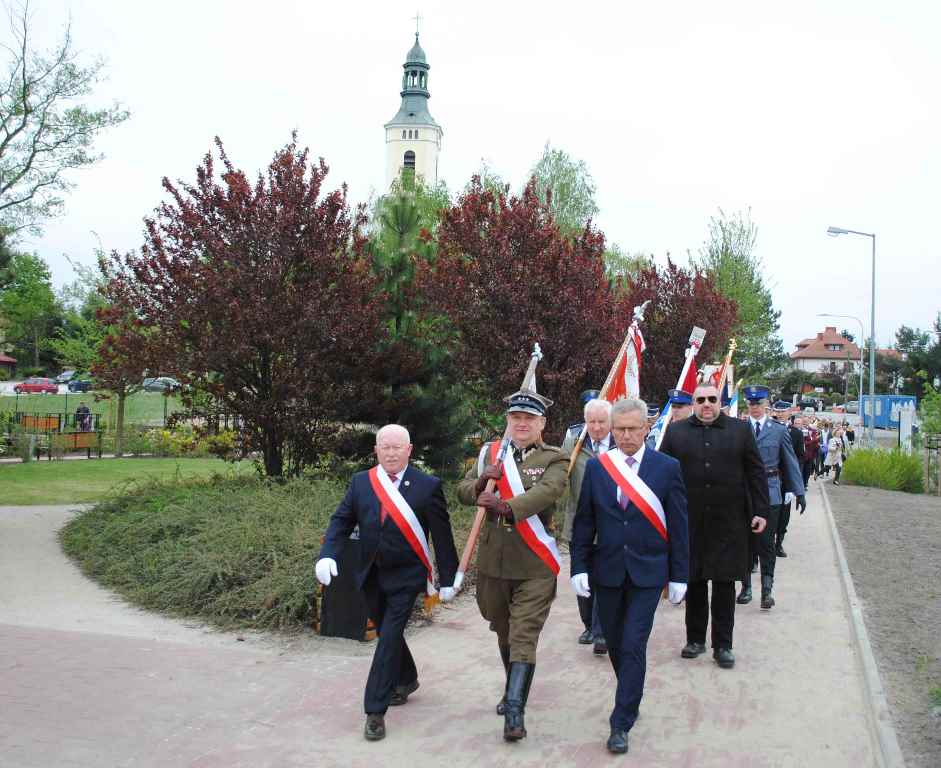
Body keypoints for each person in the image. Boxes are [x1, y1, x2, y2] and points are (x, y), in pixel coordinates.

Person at [315, 424, 460, 742]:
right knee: (388, 634)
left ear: (409, 450)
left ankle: (375, 711)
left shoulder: (427, 485)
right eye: (385, 446)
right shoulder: (361, 483)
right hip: (370, 574)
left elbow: (442, 535)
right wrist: (328, 554)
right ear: (376, 450)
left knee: (388, 637)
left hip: (407, 577)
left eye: (397, 447)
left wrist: (448, 578)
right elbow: (341, 520)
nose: (391, 452)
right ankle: (407, 679)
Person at [570, 398, 689, 755]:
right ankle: (632, 695)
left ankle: (620, 721)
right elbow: (584, 522)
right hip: (606, 571)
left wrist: (680, 575)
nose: (624, 435)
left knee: (634, 643)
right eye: (618, 428)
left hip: (648, 572)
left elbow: (679, 526)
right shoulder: (598, 468)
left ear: (646, 428)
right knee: (617, 645)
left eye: (632, 428)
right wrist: (578, 566)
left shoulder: (667, 468)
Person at [457, 390, 569, 742]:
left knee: (523, 635)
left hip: (534, 564)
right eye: (515, 418)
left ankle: (515, 710)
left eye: (529, 419)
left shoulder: (556, 458)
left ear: (542, 424)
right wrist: (478, 483)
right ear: (508, 422)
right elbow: (461, 491)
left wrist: (503, 506)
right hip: (493, 563)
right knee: (503, 630)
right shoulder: (491, 454)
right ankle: (512, 689)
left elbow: (547, 493)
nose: (521, 424)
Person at [659, 382, 769, 669]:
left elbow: (756, 472)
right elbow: (664, 475)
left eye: (712, 399)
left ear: (720, 401)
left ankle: (723, 645)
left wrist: (760, 510)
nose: (706, 404)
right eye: (701, 400)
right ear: (693, 403)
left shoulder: (740, 430)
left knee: (723, 586)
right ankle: (695, 639)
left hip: (729, 522)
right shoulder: (676, 432)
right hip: (689, 521)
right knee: (694, 583)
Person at [736, 389, 805, 609]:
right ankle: (745, 587)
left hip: (770, 491)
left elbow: (790, 460)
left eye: (758, 403)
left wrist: (799, 491)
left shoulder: (777, 431)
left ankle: (767, 589)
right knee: (745, 543)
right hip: (744, 493)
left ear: (766, 404)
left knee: (766, 543)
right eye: (751, 403)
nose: (754, 407)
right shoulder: (739, 429)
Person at [561, 391, 612, 656]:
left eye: (602, 422)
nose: (597, 427)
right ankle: (588, 625)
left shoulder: (620, 443)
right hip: (578, 522)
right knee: (582, 577)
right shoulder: (575, 442)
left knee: (604, 576)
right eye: (592, 422)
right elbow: (559, 473)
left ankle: (601, 630)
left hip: (611, 524)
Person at [775, 410, 806, 557]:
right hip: (769, 478)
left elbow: (799, 458)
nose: (780, 415)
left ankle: (778, 544)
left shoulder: (796, 433)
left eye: (784, 412)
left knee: (783, 514)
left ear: (789, 414)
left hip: (786, 480)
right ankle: (756, 554)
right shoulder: (768, 428)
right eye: (778, 412)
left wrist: (795, 483)